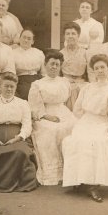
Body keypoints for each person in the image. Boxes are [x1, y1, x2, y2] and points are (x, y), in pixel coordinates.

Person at [62, 54, 108, 202]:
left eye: (103, 67)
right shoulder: (87, 88)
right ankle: (80, 179)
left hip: (101, 123)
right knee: (77, 140)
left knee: (98, 143)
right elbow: (78, 109)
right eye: (96, 68)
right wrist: (82, 122)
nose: (100, 71)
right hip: (86, 121)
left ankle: (93, 185)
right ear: (93, 71)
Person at [0, 72, 37, 192]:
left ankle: (17, 182)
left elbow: (27, 126)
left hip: (16, 135)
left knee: (20, 152)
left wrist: (19, 137)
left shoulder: (23, 104)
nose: (9, 89)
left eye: (12, 86)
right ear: (0, 86)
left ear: (15, 87)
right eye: (6, 86)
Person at [28, 50, 76, 185]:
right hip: (44, 114)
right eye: (52, 64)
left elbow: (67, 102)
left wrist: (67, 115)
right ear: (45, 65)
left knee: (74, 127)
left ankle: (72, 170)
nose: (54, 67)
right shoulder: (38, 84)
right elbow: (34, 107)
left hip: (63, 111)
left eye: (57, 64)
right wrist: (48, 116)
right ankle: (53, 173)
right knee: (51, 130)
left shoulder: (65, 82)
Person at [60, 22, 87, 111]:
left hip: (81, 83)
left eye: (73, 33)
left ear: (78, 35)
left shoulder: (85, 52)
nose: (70, 36)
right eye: (68, 34)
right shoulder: (61, 53)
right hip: (65, 82)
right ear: (64, 36)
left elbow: (90, 72)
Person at [13, 28, 46, 100]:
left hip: (37, 79)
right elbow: (12, 72)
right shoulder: (13, 53)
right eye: (24, 37)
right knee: (27, 93)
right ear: (19, 38)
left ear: (33, 41)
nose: (26, 40)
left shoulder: (38, 53)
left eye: (29, 38)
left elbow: (44, 72)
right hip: (21, 80)